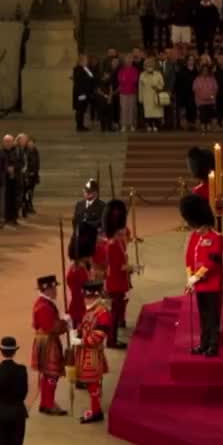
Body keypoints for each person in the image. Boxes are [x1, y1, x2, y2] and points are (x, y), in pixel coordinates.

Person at [183, 195, 223, 357]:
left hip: (212, 283)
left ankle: (213, 346)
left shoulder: (217, 238)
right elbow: (189, 257)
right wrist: (190, 278)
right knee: (203, 315)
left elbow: (213, 262)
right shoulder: (194, 236)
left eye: (199, 227)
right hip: (199, 284)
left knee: (212, 316)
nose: (197, 230)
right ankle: (204, 343)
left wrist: (197, 277)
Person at [71, 280, 112, 423]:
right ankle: (95, 409)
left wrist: (82, 341)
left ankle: (96, 411)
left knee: (93, 382)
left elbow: (99, 335)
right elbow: (86, 327)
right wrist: (78, 332)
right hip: (86, 352)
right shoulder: (92, 310)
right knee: (91, 383)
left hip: (92, 353)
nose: (85, 299)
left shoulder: (102, 312)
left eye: (87, 296)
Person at [31, 275, 70, 416]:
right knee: (52, 374)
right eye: (53, 288)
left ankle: (46, 402)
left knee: (49, 374)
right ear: (46, 289)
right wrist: (65, 323)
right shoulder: (43, 306)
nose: (55, 291)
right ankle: (48, 403)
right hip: (48, 342)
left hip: (47, 341)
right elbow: (51, 327)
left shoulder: (45, 303)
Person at [103, 199, 135, 349]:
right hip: (115, 282)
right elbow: (119, 267)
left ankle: (113, 339)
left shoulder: (115, 242)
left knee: (116, 312)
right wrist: (132, 268)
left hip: (116, 281)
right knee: (114, 314)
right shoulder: (113, 245)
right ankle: (111, 340)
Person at [71, 179, 106, 261]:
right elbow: (75, 220)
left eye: (88, 192)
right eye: (85, 191)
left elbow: (101, 222)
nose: (85, 193)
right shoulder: (79, 205)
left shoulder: (102, 206)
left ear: (95, 193)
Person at [139, 58, 165, 132]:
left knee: (156, 111)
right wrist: (140, 98)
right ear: (145, 66)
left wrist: (157, 87)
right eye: (147, 64)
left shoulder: (158, 74)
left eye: (151, 64)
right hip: (146, 96)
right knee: (148, 112)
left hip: (155, 95)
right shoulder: (142, 75)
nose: (149, 65)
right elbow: (140, 87)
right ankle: (149, 125)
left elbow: (162, 84)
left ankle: (155, 125)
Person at [72, 55, 95, 132]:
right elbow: (81, 81)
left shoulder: (85, 68)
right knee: (80, 109)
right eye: (85, 60)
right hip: (80, 93)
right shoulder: (77, 69)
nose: (87, 61)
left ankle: (81, 125)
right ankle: (79, 126)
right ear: (81, 61)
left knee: (82, 109)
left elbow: (92, 76)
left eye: (87, 60)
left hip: (84, 93)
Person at [118, 55, 141, 132]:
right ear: (124, 61)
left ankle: (131, 124)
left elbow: (135, 80)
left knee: (131, 108)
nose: (128, 61)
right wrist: (125, 81)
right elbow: (120, 80)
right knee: (124, 109)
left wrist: (127, 81)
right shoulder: (121, 70)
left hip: (132, 92)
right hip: (123, 92)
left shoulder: (135, 70)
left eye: (130, 60)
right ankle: (124, 125)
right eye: (127, 60)